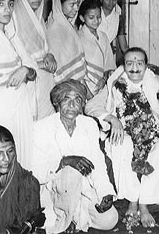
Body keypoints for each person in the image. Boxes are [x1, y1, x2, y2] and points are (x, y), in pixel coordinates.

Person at [85, 47, 159, 228]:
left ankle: (144, 204)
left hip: (153, 132)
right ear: (123, 66)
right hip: (124, 131)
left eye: (139, 63)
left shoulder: (156, 81)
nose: (134, 68)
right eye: (129, 63)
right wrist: (112, 120)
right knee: (122, 144)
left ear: (146, 65)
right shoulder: (114, 83)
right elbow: (91, 106)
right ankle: (133, 201)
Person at [31, 79, 118, 234]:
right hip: (54, 194)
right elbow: (37, 174)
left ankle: (72, 219)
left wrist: (105, 191)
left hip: (82, 191)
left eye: (77, 100)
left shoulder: (89, 125)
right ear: (57, 103)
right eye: (66, 99)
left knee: (110, 219)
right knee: (71, 171)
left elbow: (97, 162)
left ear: (82, 106)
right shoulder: (41, 128)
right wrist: (64, 162)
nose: (72, 105)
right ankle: (67, 220)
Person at [0, 0, 37, 169]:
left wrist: (25, 70)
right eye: (0, 4)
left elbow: (32, 71)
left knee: (21, 161)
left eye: (10, 4)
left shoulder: (11, 35)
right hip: (0, 113)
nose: (7, 9)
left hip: (19, 110)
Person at [13, 0, 56, 120]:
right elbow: (15, 60)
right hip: (28, 83)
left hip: (45, 84)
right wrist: (41, 64)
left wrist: (49, 56)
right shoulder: (13, 21)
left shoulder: (38, 19)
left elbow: (45, 48)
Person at [0, 124, 45, 234]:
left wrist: (30, 224)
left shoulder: (24, 179)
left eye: (10, 151)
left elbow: (37, 218)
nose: (7, 159)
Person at [46, 0, 88, 86]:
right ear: (60, 3)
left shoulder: (67, 24)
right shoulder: (54, 27)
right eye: (72, 4)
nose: (76, 8)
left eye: (78, 4)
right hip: (64, 84)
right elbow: (59, 61)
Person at [76, 0, 116, 96]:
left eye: (98, 17)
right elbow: (78, 69)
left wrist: (104, 79)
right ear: (82, 18)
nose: (96, 21)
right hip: (87, 86)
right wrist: (88, 93)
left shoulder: (103, 37)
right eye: (91, 17)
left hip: (104, 83)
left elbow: (109, 64)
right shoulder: (78, 37)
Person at [98, 0, 128, 64]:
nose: (111, 1)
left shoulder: (118, 18)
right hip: (90, 55)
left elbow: (124, 47)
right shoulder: (94, 15)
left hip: (109, 57)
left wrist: (136, 58)